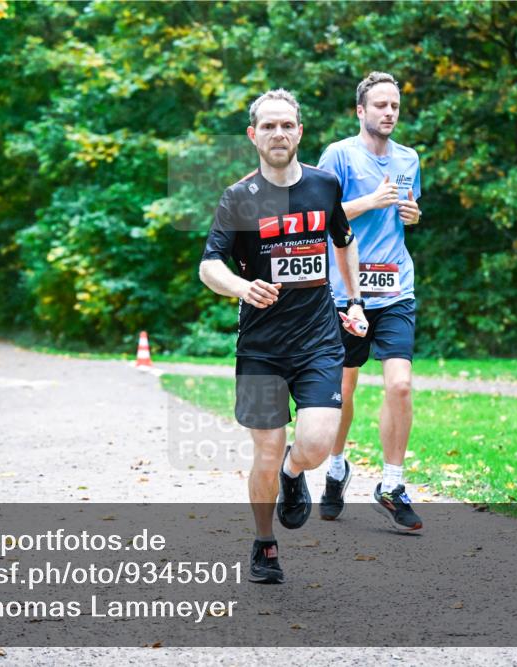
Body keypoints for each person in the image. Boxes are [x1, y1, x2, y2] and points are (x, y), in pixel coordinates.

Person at [199, 89, 367, 584]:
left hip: (317, 338)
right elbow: (209, 265)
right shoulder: (239, 197)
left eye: (286, 125)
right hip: (260, 347)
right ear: (253, 136)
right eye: (268, 126)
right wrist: (241, 286)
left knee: (314, 445)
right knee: (267, 450)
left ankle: (296, 477)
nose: (278, 133)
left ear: (299, 132)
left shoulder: (325, 186)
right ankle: (263, 542)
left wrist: (353, 300)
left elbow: (343, 241)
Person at [316, 72, 424, 532]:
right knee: (343, 390)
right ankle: (337, 467)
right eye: (380, 105)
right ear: (361, 111)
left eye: (395, 106)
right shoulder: (339, 155)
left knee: (399, 385)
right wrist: (370, 200)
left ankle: (393, 483)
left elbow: (407, 213)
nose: (389, 113)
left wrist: (412, 213)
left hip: (396, 285)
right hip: (345, 290)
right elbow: (318, 216)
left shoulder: (409, 158)